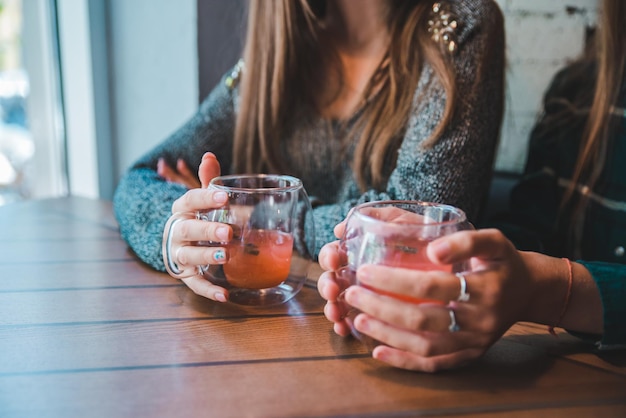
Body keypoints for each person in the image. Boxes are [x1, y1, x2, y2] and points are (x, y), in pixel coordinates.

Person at [113, 0, 505, 303]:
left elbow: (425, 221)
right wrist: (173, 236)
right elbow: (142, 177)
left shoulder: (460, 24)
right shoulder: (278, 56)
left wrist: (247, 213)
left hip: (400, 332)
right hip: (267, 329)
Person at [317, 0, 626, 373]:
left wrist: (545, 288)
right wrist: (474, 267)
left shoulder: (461, 24)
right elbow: (536, 233)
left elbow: (536, 277)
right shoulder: (577, 92)